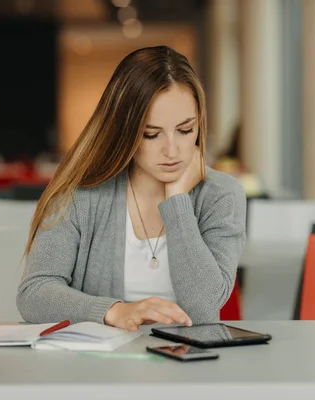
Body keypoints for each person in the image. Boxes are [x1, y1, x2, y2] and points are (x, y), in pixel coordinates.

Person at [17, 46, 246, 331]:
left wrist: (176, 198)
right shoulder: (82, 194)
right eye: (151, 134)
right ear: (123, 131)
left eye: (186, 130)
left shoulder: (221, 194)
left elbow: (203, 307)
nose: (172, 150)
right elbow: (34, 294)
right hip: (100, 369)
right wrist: (114, 311)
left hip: (191, 369)